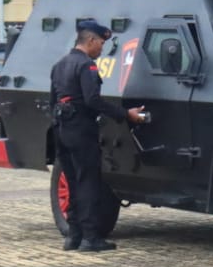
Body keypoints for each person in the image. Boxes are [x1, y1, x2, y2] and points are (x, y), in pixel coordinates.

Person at [50, 19, 147, 252]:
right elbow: (92, 100)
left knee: (72, 182)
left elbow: (52, 101)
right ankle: (91, 237)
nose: (102, 49)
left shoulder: (61, 64)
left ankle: (73, 236)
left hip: (62, 129)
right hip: (81, 130)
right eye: (101, 44)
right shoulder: (86, 66)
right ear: (90, 40)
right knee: (89, 182)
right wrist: (125, 114)